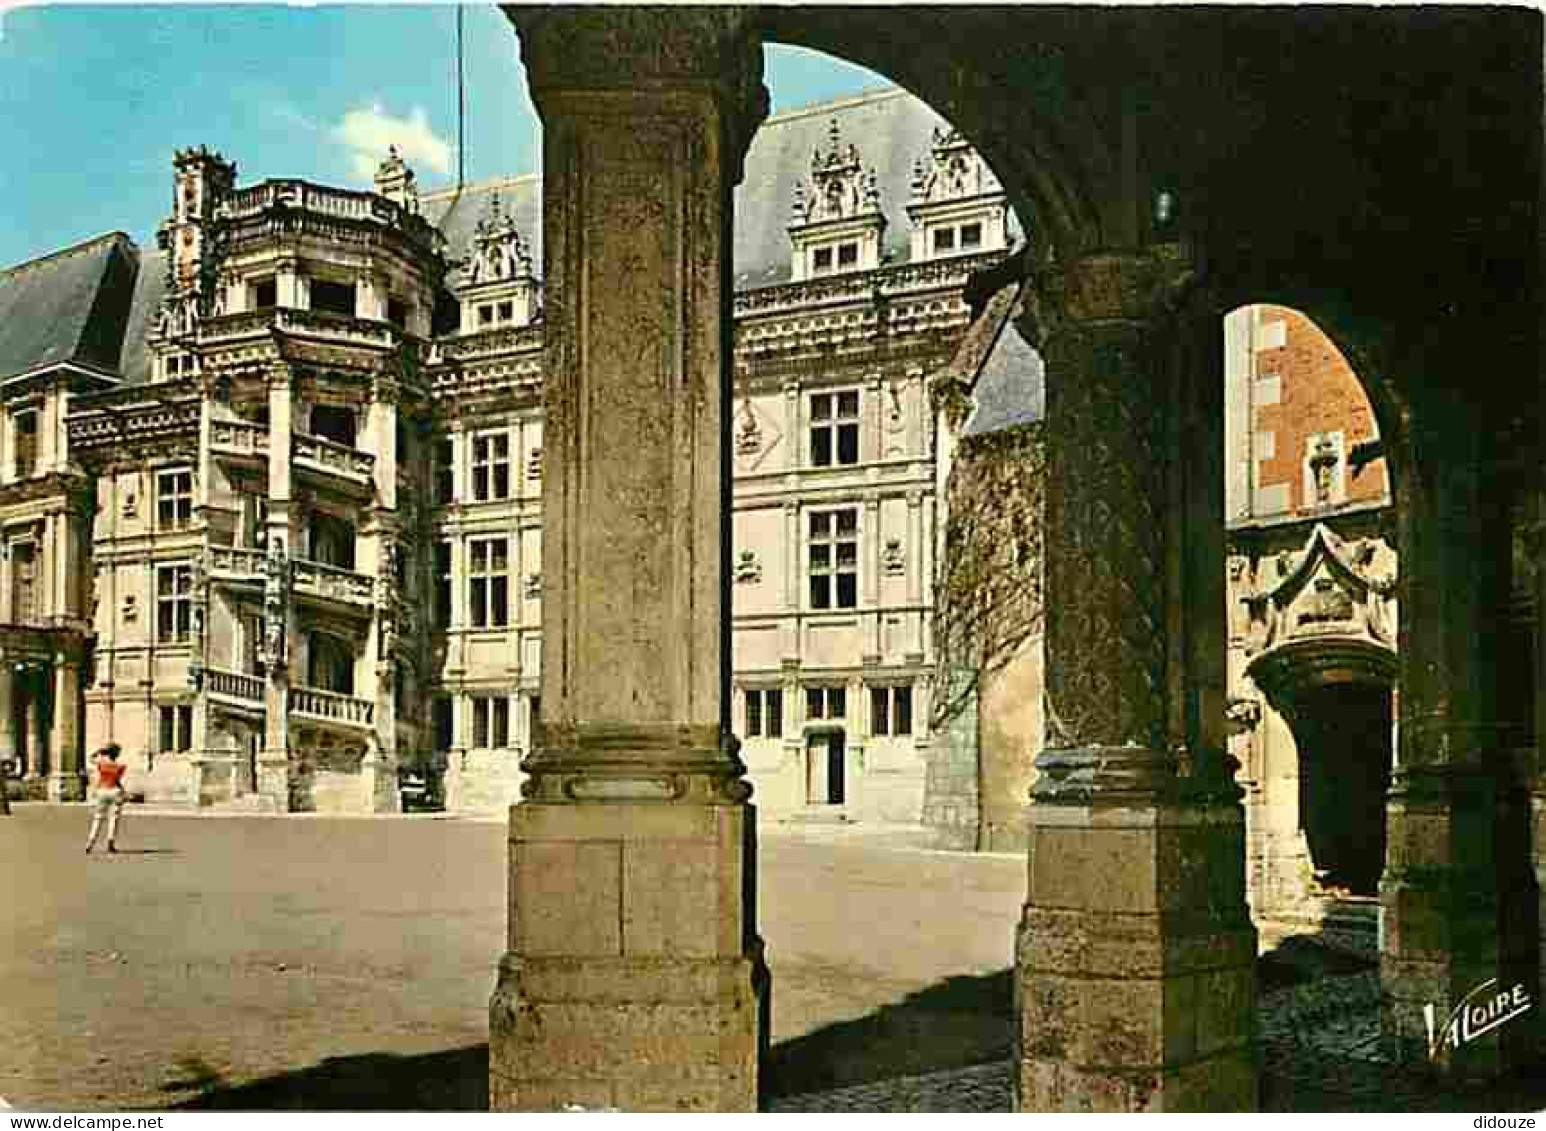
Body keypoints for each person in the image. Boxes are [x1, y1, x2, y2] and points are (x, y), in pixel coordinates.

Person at [84, 744, 127, 854]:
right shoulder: (120, 766)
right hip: (114, 790)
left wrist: (99, 752)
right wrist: (123, 792)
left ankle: (90, 843)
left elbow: (91, 759)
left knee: (98, 818)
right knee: (114, 818)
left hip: (102, 790)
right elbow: (118, 781)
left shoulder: (101, 764)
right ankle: (110, 843)